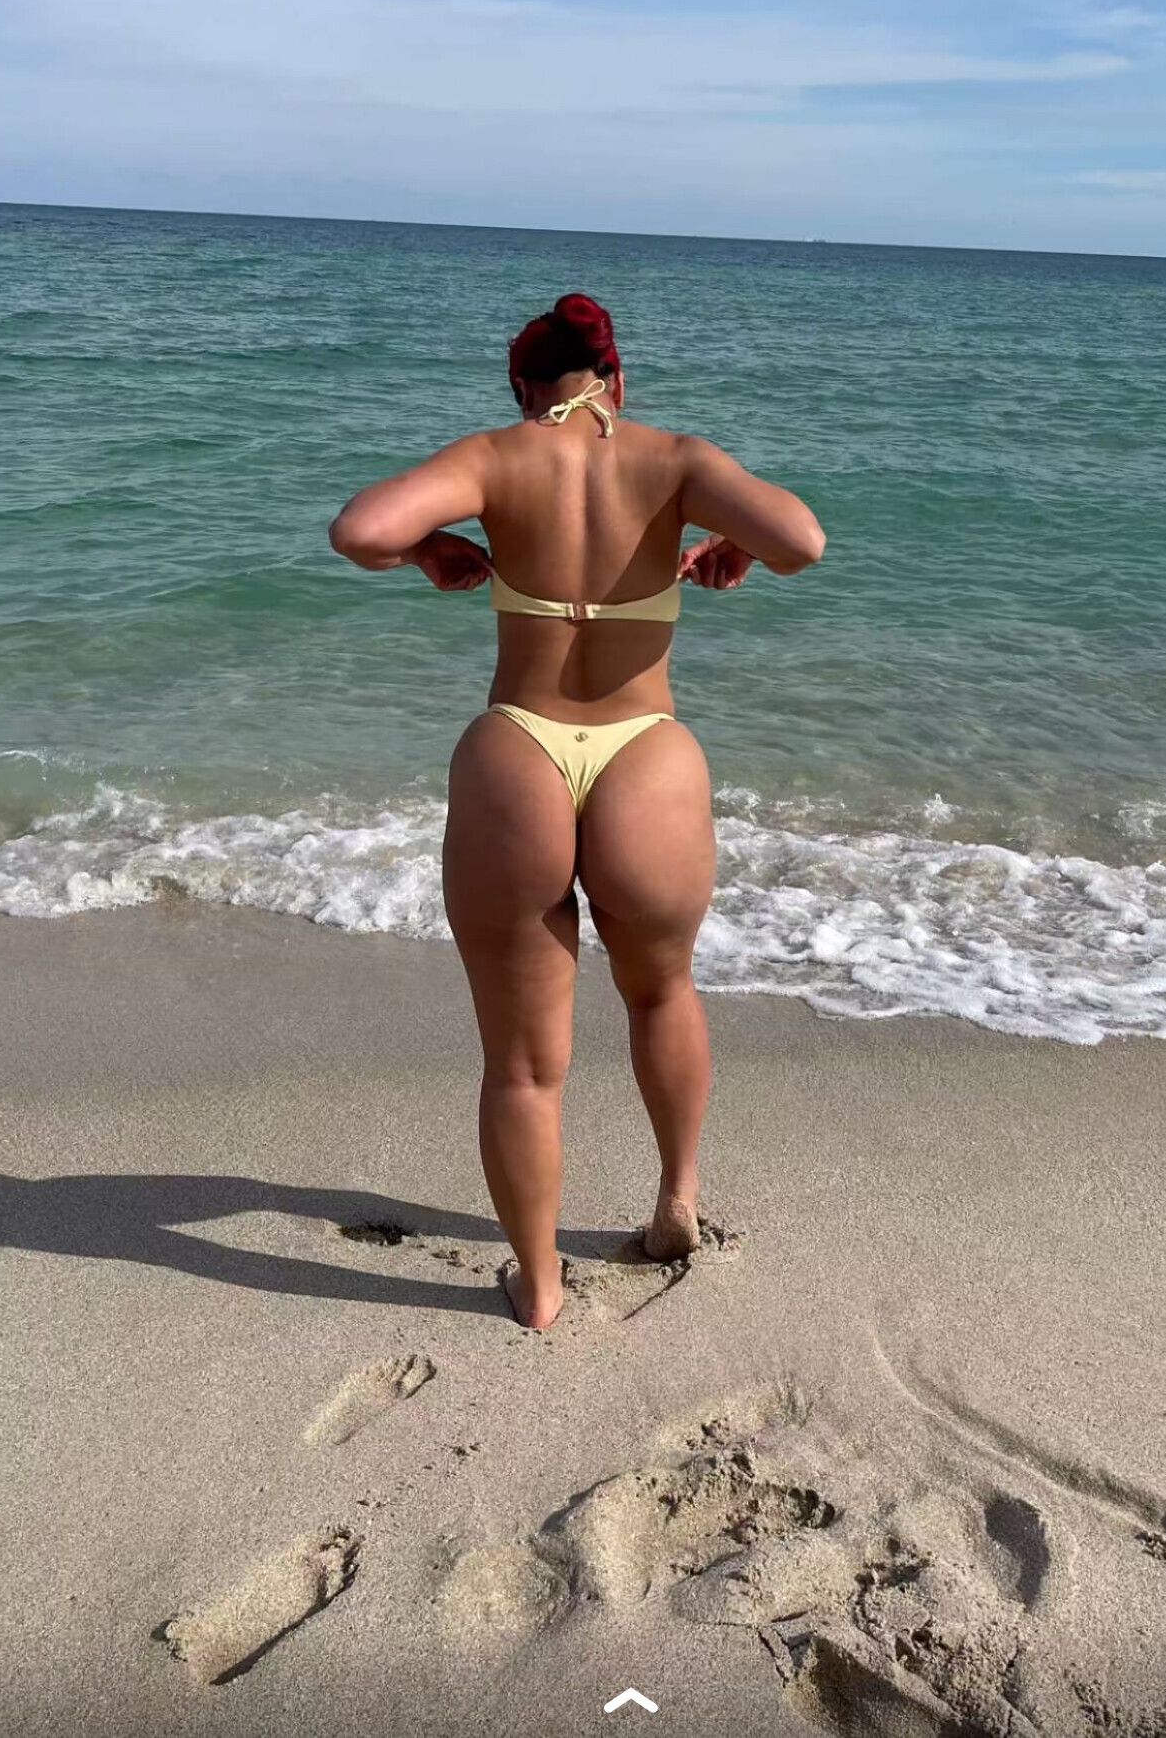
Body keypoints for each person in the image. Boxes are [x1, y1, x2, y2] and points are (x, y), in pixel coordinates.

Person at [328, 292, 825, 1329]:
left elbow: (360, 529)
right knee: (662, 992)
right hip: (648, 753)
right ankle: (676, 1201)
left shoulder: (497, 454)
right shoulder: (675, 458)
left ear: (524, 388)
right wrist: (739, 549)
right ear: (616, 380)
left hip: (520, 752)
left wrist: (425, 552)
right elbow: (803, 539)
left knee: (521, 1063)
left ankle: (541, 1285)